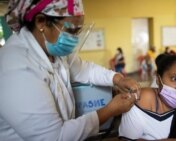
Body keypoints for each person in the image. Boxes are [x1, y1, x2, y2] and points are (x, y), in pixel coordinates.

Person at [0, 0, 140, 140]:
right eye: (71, 30)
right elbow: (54, 137)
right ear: (41, 21)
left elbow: (84, 70)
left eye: (78, 31)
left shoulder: (52, 50)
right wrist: (110, 110)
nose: (74, 38)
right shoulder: (17, 68)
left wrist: (118, 79)